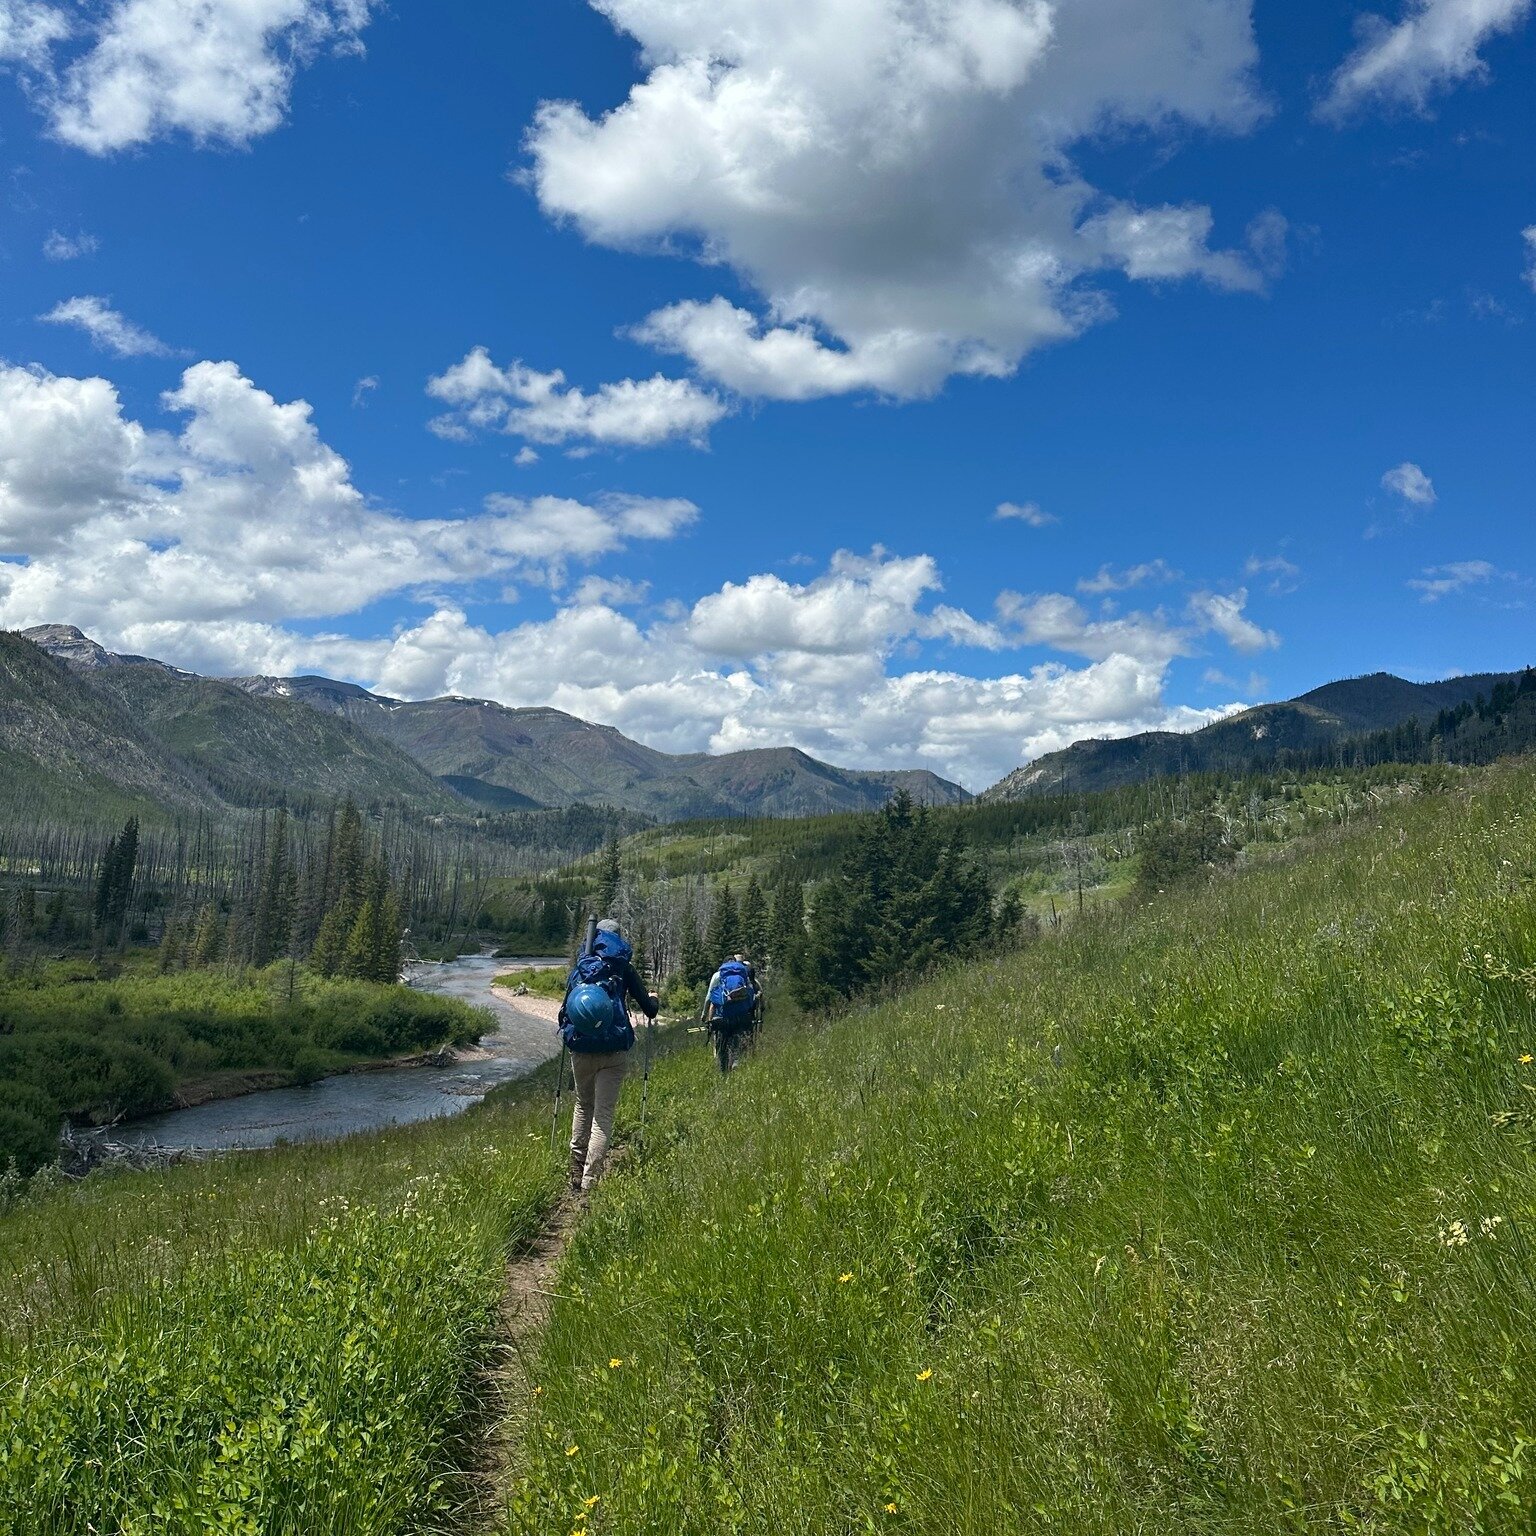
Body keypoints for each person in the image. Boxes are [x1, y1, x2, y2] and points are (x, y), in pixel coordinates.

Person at [560, 918, 658, 1193]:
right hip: (614, 1049)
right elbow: (649, 1010)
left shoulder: (582, 966)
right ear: (618, 939)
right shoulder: (623, 967)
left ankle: (575, 1172)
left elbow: (566, 1008)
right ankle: (591, 1182)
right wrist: (654, 1000)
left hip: (581, 1048)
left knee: (583, 1105)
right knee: (602, 1115)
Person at [702, 952, 761, 1074]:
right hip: (741, 1017)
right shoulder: (743, 974)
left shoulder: (717, 976)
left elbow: (711, 1000)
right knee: (736, 1044)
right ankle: (735, 1064)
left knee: (722, 1048)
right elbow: (750, 996)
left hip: (722, 1018)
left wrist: (709, 1019)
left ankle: (723, 1073)